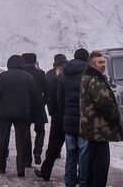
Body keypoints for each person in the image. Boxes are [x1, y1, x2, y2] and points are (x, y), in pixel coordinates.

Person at [80, 51, 123, 187]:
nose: (103, 65)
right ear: (93, 64)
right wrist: (117, 118)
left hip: (93, 129)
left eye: (104, 62)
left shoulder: (88, 77)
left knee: (92, 163)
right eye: (100, 62)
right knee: (100, 166)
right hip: (99, 130)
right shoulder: (95, 81)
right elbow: (105, 104)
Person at [0, 54, 40, 177]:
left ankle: (1, 166)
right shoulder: (28, 77)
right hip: (22, 113)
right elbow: (35, 96)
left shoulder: (3, 76)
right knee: (21, 142)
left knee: (3, 140)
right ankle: (21, 168)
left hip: (5, 113)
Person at [58, 48, 90, 186]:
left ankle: (69, 182)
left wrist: (64, 113)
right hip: (85, 121)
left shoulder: (65, 73)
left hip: (69, 120)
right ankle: (83, 182)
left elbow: (59, 98)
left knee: (71, 153)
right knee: (84, 155)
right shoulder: (89, 74)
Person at [35, 54, 68, 181]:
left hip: (58, 116)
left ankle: (46, 172)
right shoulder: (76, 75)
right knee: (74, 148)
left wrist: (52, 111)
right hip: (74, 116)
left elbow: (50, 97)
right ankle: (75, 175)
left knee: (53, 145)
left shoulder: (50, 76)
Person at [22, 52, 49, 166]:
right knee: (40, 131)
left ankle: (27, 159)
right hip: (38, 106)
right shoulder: (41, 74)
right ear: (34, 61)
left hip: (24, 107)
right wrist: (42, 102)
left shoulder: (22, 74)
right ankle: (37, 151)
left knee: (25, 133)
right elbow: (47, 92)